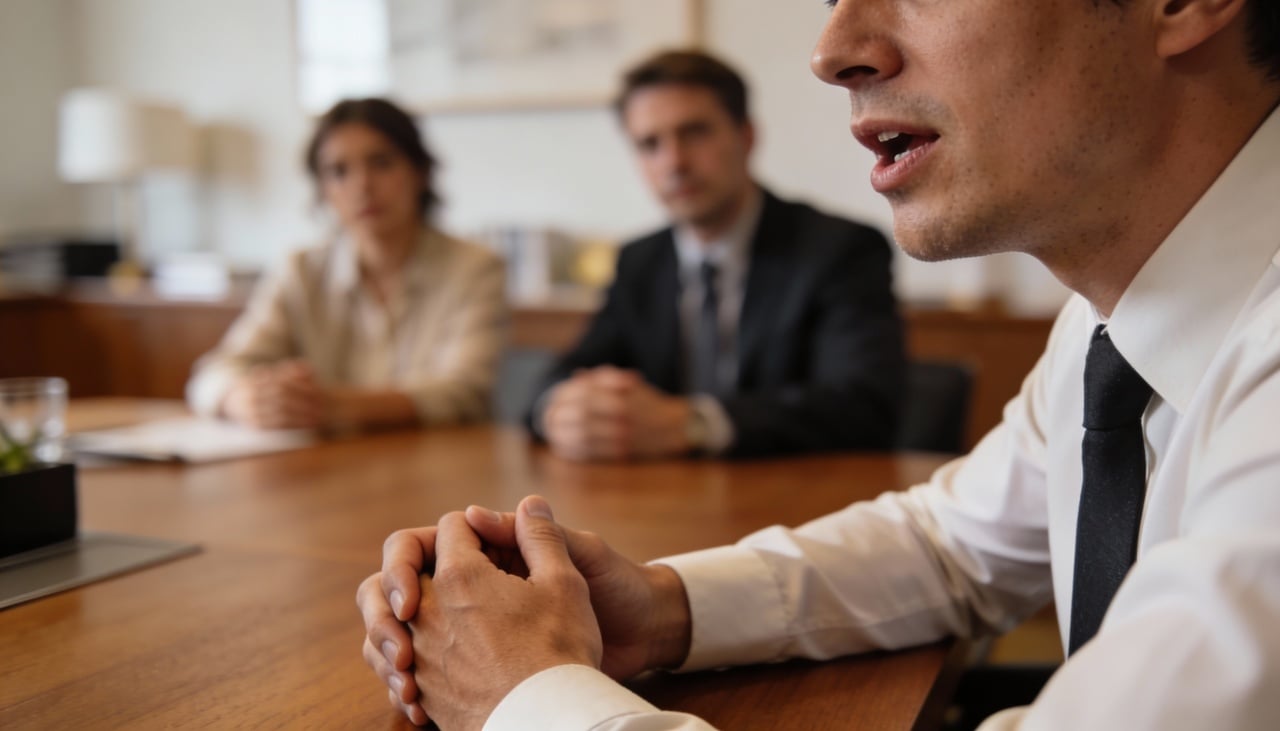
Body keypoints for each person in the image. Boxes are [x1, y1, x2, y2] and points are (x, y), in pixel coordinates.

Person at [359, 0, 1280, 729]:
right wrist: (660, 605)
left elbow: (859, 401)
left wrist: (532, 697)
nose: (832, 51)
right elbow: (948, 545)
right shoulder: (1104, 321)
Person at [528, 50, 904, 460]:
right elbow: (564, 374)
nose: (674, 162)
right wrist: (561, 412)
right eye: (650, 144)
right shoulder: (640, 261)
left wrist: (692, 424)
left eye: (694, 133)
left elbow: (863, 406)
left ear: (746, 136)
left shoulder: (840, 249)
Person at [187, 98, 506, 432]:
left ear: (420, 171)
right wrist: (246, 399)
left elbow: (464, 390)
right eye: (339, 171)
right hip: (322, 462)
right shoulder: (301, 272)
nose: (362, 185)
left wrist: (330, 406)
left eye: (381, 163)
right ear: (323, 190)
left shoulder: (475, 268)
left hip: (438, 459)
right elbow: (213, 373)